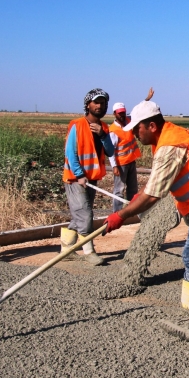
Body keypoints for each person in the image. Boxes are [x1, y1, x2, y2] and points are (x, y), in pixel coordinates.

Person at [104, 100, 189, 315]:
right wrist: (136, 199)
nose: (134, 135)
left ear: (151, 126)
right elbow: (154, 184)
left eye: (137, 129)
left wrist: (120, 216)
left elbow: (153, 196)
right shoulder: (168, 135)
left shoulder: (170, 146)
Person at [60, 88, 115, 266]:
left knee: (80, 214)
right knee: (85, 214)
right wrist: (79, 174)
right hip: (76, 179)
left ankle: (66, 249)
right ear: (88, 105)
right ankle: (89, 252)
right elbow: (70, 152)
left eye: (103, 103)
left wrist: (102, 135)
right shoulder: (77, 125)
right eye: (96, 102)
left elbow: (110, 151)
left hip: (91, 178)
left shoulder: (104, 128)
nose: (100, 106)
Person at [108, 102, 141, 212]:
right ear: (114, 114)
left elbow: (137, 111)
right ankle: (117, 213)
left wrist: (146, 99)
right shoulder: (113, 131)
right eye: (120, 113)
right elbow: (110, 151)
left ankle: (131, 211)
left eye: (123, 112)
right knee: (119, 190)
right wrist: (114, 166)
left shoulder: (127, 121)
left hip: (131, 161)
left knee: (133, 189)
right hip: (121, 164)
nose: (122, 115)